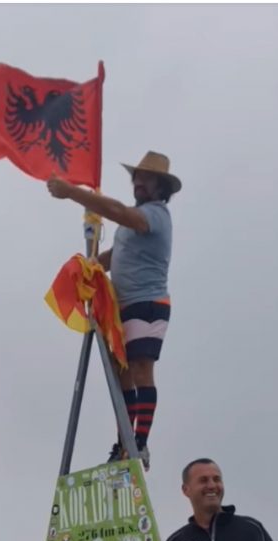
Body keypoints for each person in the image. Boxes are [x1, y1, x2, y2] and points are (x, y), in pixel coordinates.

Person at [47, 151, 180, 470]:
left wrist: (73, 193)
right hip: (121, 305)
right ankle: (124, 443)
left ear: (160, 187)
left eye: (146, 179)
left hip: (147, 302)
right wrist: (90, 267)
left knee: (140, 369)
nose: (138, 183)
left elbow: (121, 213)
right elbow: (115, 255)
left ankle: (140, 443)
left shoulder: (155, 215)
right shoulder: (131, 223)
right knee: (122, 374)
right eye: (137, 177)